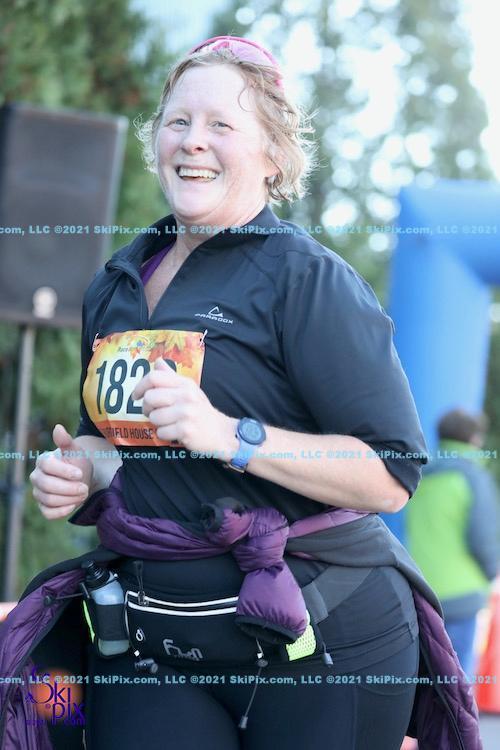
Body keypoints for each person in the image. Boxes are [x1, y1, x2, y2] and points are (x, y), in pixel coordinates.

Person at [28, 36, 430, 750]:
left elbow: (389, 476)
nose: (194, 141)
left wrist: (230, 435)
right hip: (156, 639)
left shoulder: (308, 279)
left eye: (222, 124)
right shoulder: (115, 283)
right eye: (178, 121)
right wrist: (82, 468)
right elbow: (121, 444)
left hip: (323, 644)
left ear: (274, 155)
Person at [407, 408, 500, 676]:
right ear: (475, 439)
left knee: (424, 677)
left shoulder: (420, 476)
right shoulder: (474, 477)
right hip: (463, 595)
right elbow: (482, 539)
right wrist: (492, 573)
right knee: (457, 680)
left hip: (422, 591)